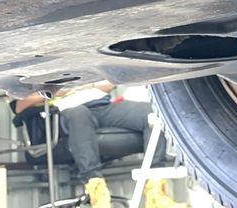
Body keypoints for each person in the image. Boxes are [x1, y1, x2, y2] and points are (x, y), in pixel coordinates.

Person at [14, 81, 160, 208]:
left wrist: (89, 84)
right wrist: (59, 91)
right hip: (65, 112)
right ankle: (96, 190)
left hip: (100, 106)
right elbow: (18, 106)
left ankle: (156, 189)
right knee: (79, 113)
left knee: (152, 112)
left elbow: (110, 83)